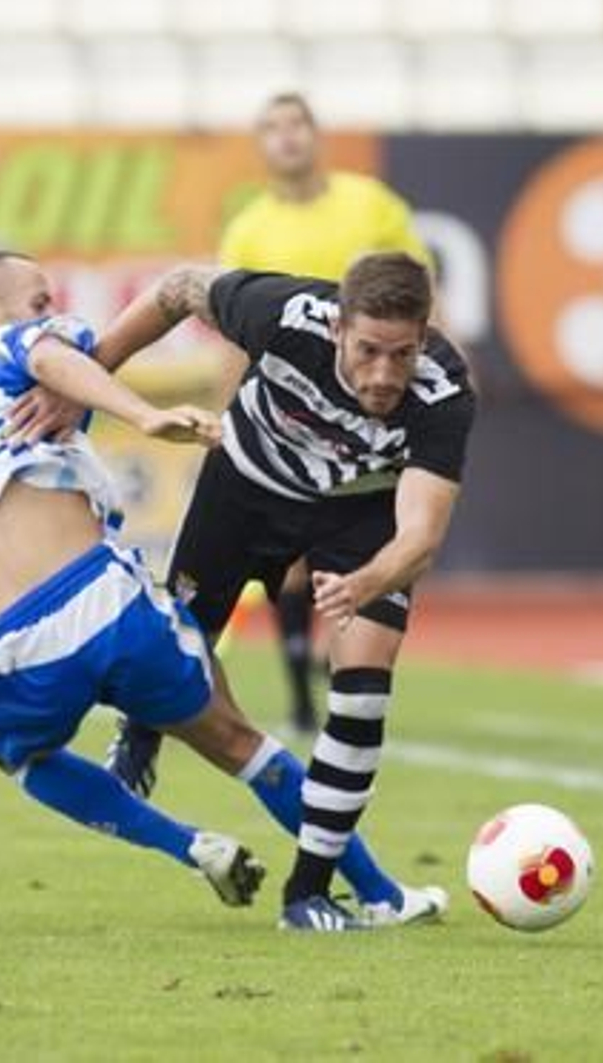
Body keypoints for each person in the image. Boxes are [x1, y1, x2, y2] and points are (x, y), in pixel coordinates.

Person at [0, 248, 448, 927]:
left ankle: (187, 843)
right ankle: (379, 892)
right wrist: (138, 412)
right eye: (39, 300)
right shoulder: (4, 347)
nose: (55, 313)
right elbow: (49, 356)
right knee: (245, 743)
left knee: (26, 757)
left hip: (15, 651)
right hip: (113, 603)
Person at [91, 252, 476, 930]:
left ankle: (308, 894)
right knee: (180, 644)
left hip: (359, 517)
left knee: (364, 691)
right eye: (367, 351)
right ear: (336, 330)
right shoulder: (284, 313)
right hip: (245, 486)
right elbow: (179, 287)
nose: (384, 375)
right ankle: (144, 725)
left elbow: (419, 535)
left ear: (423, 338)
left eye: (402, 354)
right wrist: (88, 381)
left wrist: (367, 582)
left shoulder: (443, 393)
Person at [218, 91, 432, 735]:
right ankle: (301, 697)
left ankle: (344, 669)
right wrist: (227, 414)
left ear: (317, 135)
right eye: (272, 128)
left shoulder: (370, 203)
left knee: (354, 542)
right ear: (260, 144)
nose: (287, 138)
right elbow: (233, 328)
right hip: (288, 411)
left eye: (296, 125)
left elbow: (419, 291)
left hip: (370, 404)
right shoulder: (249, 228)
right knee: (288, 559)